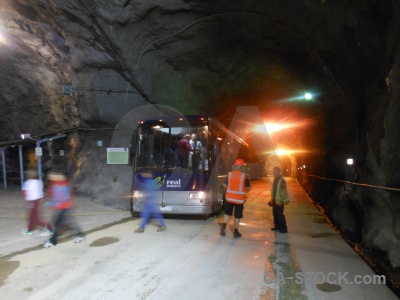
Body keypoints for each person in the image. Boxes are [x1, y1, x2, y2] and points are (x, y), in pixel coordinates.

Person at [43, 172, 85, 248]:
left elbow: (63, 197)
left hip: (65, 207)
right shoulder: (56, 185)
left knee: (57, 223)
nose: (50, 178)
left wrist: (51, 203)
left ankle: (53, 241)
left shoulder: (62, 185)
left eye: (52, 176)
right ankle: (80, 234)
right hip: (63, 207)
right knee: (65, 223)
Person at [220, 159, 251, 238]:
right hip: (239, 200)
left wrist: (227, 192)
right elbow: (248, 188)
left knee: (227, 213)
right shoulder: (245, 176)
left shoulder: (229, 174)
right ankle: (236, 232)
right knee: (237, 216)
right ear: (242, 167)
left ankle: (223, 226)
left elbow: (224, 185)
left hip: (229, 198)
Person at [21, 169, 53, 236]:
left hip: (32, 201)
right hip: (38, 200)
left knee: (36, 218)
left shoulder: (28, 182)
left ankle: (49, 229)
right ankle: (29, 230)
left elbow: (24, 193)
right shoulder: (39, 182)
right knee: (31, 216)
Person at [268, 167, 290, 233]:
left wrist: (282, 201)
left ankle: (283, 228)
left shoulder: (282, 180)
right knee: (275, 214)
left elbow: (284, 191)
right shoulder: (275, 179)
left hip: (280, 201)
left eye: (276, 171)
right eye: (274, 171)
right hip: (275, 200)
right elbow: (274, 191)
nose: (274, 173)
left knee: (280, 214)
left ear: (279, 172)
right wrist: (271, 200)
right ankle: (277, 226)